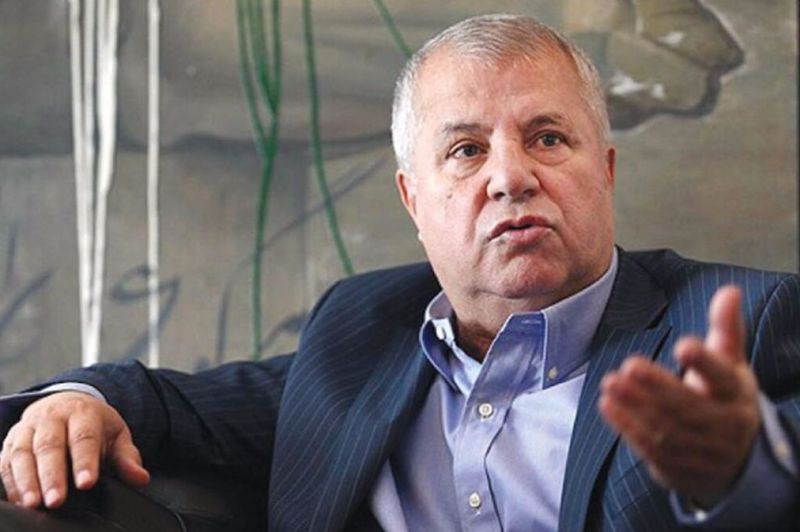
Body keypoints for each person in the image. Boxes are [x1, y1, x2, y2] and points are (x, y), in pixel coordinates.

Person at [1, 13, 798, 532]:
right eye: (467, 150)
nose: (510, 177)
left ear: (607, 172)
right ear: (415, 201)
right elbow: (174, 405)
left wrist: (745, 469)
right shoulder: (359, 334)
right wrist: (76, 401)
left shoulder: (746, 322)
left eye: (549, 138)